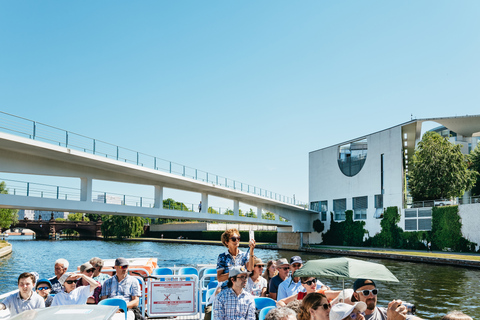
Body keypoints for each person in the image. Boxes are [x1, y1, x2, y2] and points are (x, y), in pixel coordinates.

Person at [351, 279, 422, 320]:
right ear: (356, 296)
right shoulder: (351, 317)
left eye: (374, 291)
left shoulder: (387, 313)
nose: (371, 296)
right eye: (366, 292)